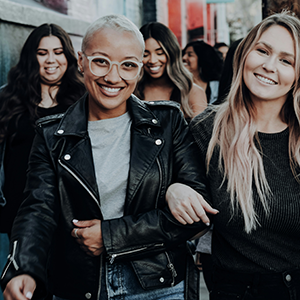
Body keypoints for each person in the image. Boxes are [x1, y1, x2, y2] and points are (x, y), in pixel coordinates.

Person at [0, 15, 217, 300]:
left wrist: (111, 236)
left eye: (128, 65)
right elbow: (38, 208)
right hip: (81, 283)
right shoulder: (51, 134)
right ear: (81, 61)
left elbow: (197, 215)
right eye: (101, 61)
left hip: (159, 284)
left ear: (139, 70)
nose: (114, 77)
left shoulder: (169, 121)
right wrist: (24, 266)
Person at [167, 12, 300, 299]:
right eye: (262, 51)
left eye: (286, 60)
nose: (268, 65)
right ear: (244, 55)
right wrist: (174, 189)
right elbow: (184, 222)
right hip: (233, 289)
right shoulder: (208, 129)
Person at [0, 23, 85, 237]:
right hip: (17, 211)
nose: (51, 60)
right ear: (32, 57)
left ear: (68, 57)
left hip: (69, 214)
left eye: (58, 52)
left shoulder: (83, 101)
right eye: (42, 53)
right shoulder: (8, 98)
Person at [134, 22, 207, 121]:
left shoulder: (192, 92)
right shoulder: (132, 90)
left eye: (160, 53)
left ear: (172, 53)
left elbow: (201, 134)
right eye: (145, 55)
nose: (152, 60)